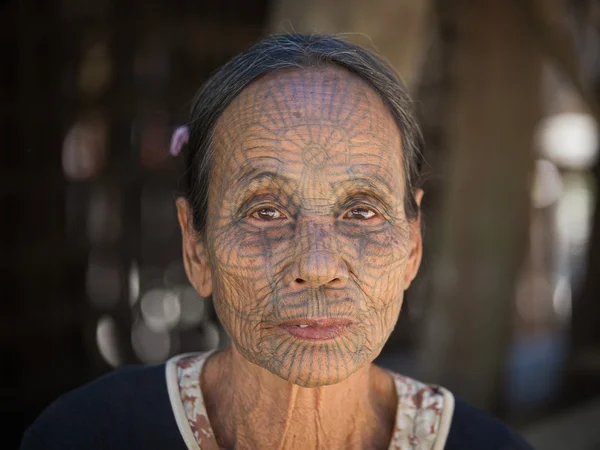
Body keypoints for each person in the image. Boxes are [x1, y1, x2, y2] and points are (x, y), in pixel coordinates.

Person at [21, 34, 533, 450]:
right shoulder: (85, 436)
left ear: (412, 248)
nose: (316, 265)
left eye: (362, 211)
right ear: (196, 247)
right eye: (265, 212)